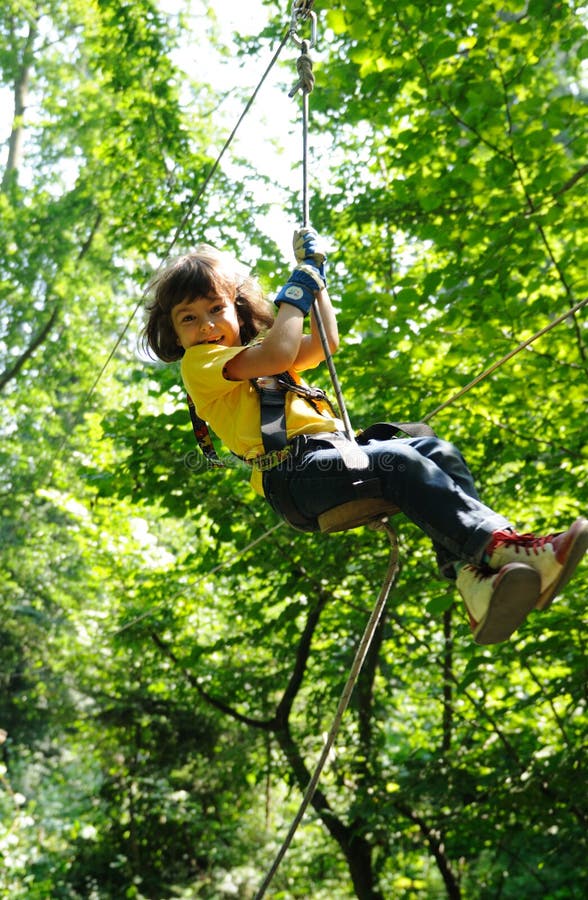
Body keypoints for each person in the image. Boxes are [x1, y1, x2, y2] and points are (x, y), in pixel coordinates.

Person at [143, 228, 588, 645]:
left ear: (236, 309)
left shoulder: (254, 359)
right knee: (401, 461)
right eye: (189, 318)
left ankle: (474, 582)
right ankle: (505, 548)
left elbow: (324, 342)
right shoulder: (199, 364)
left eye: (215, 309)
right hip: (294, 477)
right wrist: (296, 290)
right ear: (176, 333)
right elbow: (281, 348)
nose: (205, 326)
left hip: (330, 461)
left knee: (437, 450)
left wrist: (317, 279)